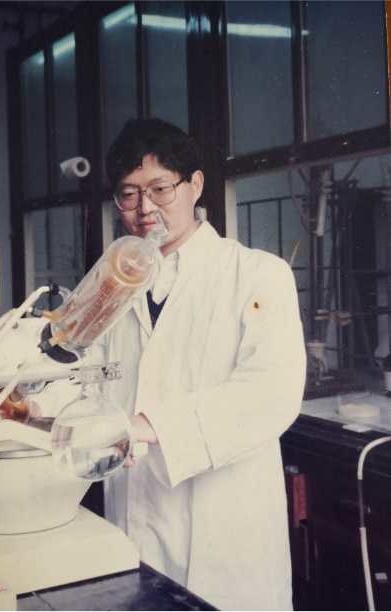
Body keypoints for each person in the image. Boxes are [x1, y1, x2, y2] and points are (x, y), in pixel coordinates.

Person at [99, 117, 306, 610]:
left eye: (160, 189)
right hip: (134, 517)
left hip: (224, 533)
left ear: (195, 184)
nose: (145, 209)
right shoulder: (113, 282)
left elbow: (272, 394)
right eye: (129, 194)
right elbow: (86, 376)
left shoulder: (258, 274)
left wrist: (150, 426)